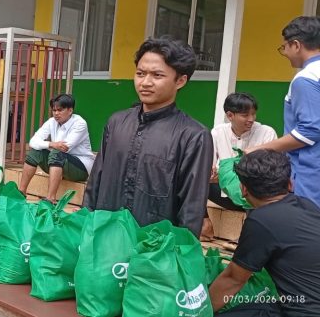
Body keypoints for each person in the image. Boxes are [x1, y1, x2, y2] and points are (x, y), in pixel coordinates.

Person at [82, 37, 213, 236]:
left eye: (157, 75)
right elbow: (95, 183)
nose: (145, 82)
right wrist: (86, 227)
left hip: (153, 250)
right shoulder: (116, 123)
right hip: (104, 240)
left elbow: (191, 209)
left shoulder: (193, 136)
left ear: (180, 81)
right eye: (140, 73)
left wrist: (178, 253)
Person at [209, 149, 320, 317]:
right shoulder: (308, 206)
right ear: (290, 184)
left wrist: (199, 312)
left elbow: (233, 279)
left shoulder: (260, 220)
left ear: (243, 190)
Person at [246, 16, 320, 207]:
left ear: (296, 45)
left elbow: (310, 131)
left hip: (312, 172)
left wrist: (261, 149)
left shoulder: (306, 78)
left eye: (284, 47)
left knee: (309, 226)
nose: (284, 53)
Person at [201, 93, 277, 240]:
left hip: (256, 198)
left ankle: (250, 237)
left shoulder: (267, 133)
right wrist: (212, 175)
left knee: (259, 187)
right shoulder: (218, 132)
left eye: (253, 114)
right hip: (227, 194)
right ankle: (204, 225)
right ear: (230, 115)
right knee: (196, 182)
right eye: (245, 115)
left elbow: (270, 172)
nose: (251, 119)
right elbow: (208, 166)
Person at [18, 93, 93, 202]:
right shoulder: (51, 122)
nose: (56, 113)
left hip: (80, 168)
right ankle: (21, 192)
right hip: (59, 163)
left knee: (56, 153)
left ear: (70, 111)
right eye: (54, 110)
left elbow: (65, 147)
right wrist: (51, 144)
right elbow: (33, 142)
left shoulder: (80, 123)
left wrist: (53, 146)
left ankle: (50, 198)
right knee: (34, 152)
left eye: (60, 110)